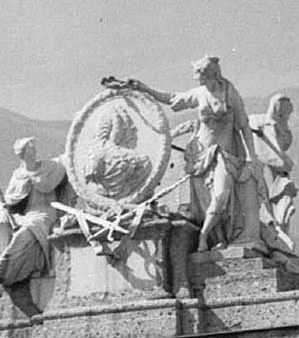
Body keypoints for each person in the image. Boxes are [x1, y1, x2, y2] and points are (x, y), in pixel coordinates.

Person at [103, 58, 271, 253]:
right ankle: (215, 239)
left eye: (198, 75)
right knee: (207, 202)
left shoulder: (229, 93)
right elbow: (172, 99)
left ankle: (203, 236)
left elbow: (244, 126)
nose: (195, 78)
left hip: (223, 155)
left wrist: (251, 157)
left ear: (210, 74)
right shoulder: (199, 94)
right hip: (199, 156)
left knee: (220, 197)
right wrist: (143, 88)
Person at [0, 137, 70, 289]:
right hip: (26, 216)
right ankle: (5, 270)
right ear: (22, 154)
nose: (34, 151)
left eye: (34, 148)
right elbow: (8, 200)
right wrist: (4, 209)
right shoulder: (18, 175)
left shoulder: (49, 167)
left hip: (44, 214)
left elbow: (61, 170)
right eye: (30, 149)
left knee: (23, 234)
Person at [251, 93, 297, 253]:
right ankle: (274, 236)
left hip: (278, 176)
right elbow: (271, 155)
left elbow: (280, 152)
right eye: (283, 112)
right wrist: (286, 162)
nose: (285, 116)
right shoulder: (259, 122)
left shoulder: (285, 131)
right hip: (261, 169)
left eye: (287, 113)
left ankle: (279, 236)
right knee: (263, 201)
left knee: (282, 207)